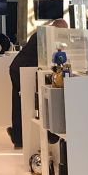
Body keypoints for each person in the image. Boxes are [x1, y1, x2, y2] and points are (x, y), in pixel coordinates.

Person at [7, 18, 67, 147]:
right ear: (57, 28)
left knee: (19, 102)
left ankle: (18, 136)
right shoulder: (46, 35)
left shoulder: (42, 33)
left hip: (19, 68)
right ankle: (20, 136)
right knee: (23, 103)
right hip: (22, 70)